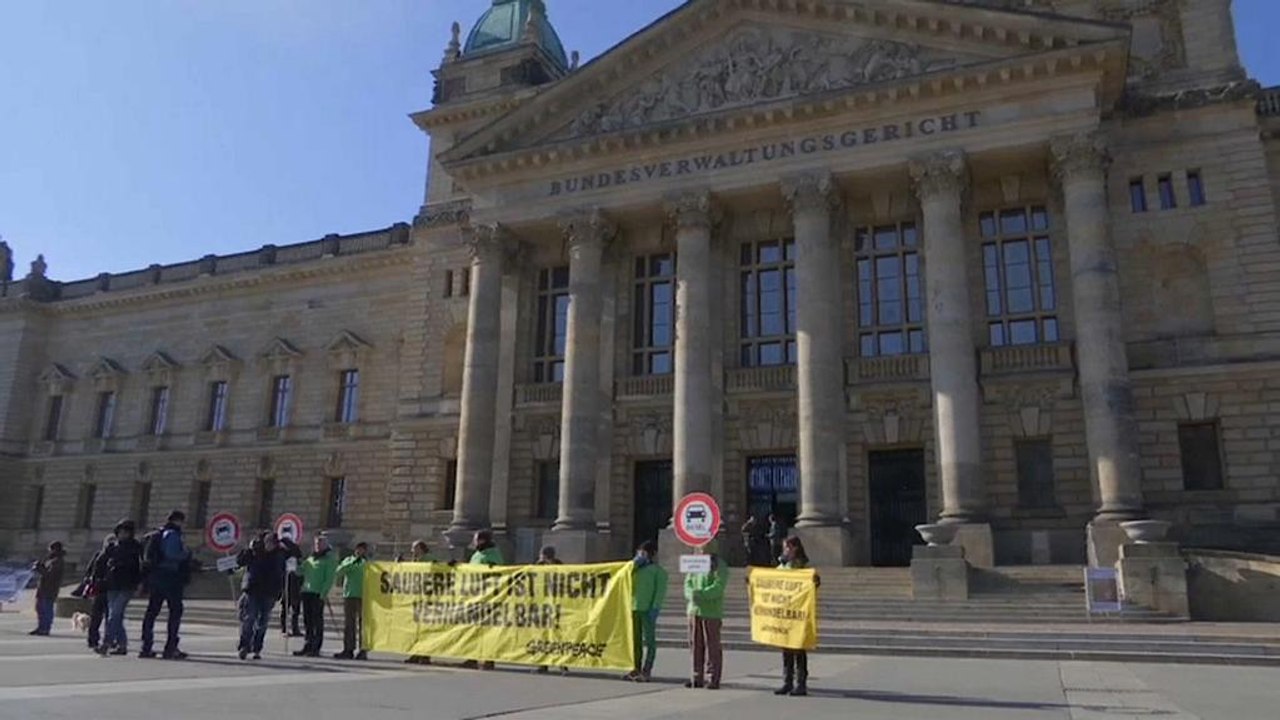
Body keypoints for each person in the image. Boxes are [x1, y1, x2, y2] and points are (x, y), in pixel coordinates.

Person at [140, 510, 193, 659]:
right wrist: (186, 554)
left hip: (156, 577)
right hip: (170, 577)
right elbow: (172, 555)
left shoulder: (159, 534)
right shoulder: (172, 535)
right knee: (175, 612)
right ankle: (170, 647)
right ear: (178, 521)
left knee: (152, 612)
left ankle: (146, 646)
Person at [774, 536, 819, 697]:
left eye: (787, 547)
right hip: (785, 613)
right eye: (784, 548)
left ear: (795, 548)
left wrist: (814, 581)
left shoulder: (802, 567)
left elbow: (811, 584)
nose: (784, 550)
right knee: (786, 649)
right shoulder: (782, 565)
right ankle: (787, 681)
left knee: (799, 649)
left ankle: (801, 683)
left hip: (798, 614)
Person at [98, 520, 144, 657]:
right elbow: (101, 562)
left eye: (126, 532)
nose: (122, 534)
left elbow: (141, 567)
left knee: (114, 615)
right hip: (112, 584)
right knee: (115, 616)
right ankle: (122, 645)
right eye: (120, 532)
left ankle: (106, 642)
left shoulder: (136, 547)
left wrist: (140, 584)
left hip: (127, 585)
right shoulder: (112, 547)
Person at [237, 533, 286, 660]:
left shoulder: (279, 556)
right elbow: (240, 561)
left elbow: (282, 574)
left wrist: (279, 592)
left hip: (269, 592)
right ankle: (244, 645)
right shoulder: (255, 552)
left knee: (263, 622)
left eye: (273, 543)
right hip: (253, 589)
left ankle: (257, 647)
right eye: (268, 542)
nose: (270, 546)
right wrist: (248, 550)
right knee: (249, 618)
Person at [684, 553, 727, 690]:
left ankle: (712, 678)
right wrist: (691, 594)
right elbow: (687, 583)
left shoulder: (720, 565)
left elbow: (719, 586)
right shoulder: (695, 563)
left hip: (711, 611)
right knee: (695, 644)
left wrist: (701, 594)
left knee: (712, 646)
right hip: (694, 610)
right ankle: (696, 676)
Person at [625, 540, 667, 682]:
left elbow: (659, 592)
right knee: (634, 641)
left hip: (648, 609)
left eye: (644, 553)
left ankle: (647, 669)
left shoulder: (658, 572)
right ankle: (634, 667)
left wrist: (655, 607)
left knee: (649, 641)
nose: (642, 555)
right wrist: (633, 566)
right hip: (633, 608)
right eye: (639, 553)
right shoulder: (635, 569)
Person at [461, 530, 503, 670]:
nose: (474, 542)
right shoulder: (476, 555)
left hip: (488, 598)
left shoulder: (493, 554)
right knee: (473, 629)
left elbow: (495, 572)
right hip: (474, 596)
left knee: (487, 630)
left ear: (482, 540)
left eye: (476, 539)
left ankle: (488, 659)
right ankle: (472, 656)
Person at [293, 533, 338, 657]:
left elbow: (329, 578)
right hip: (307, 591)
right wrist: (293, 565)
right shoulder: (311, 558)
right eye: (316, 543)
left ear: (325, 544)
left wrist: (323, 593)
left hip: (318, 593)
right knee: (307, 621)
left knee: (317, 621)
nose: (317, 546)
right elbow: (300, 571)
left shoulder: (329, 559)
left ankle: (316, 646)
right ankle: (308, 644)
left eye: (320, 543)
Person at [533, 546, 568, 675]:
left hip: (556, 606)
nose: (540, 558)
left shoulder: (560, 567)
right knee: (543, 636)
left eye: (542, 556)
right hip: (543, 606)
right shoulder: (539, 566)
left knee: (558, 636)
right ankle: (543, 664)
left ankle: (562, 664)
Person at [333, 541, 369, 660]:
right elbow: (339, 571)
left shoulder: (367, 563)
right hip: (349, 594)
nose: (360, 551)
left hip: (364, 595)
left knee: (363, 625)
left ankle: (363, 650)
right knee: (349, 624)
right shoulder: (348, 560)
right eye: (358, 549)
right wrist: (352, 563)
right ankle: (348, 648)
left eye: (362, 550)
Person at [403, 539, 436, 666]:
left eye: (414, 548)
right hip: (417, 598)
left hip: (427, 598)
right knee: (416, 628)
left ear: (421, 548)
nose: (412, 551)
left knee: (425, 628)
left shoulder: (429, 559)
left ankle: (425, 654)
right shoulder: (416, 560)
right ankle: (416, 652)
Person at [81, 535, 115, 650]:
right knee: (107, 616)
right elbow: (91, 570)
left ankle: (94, 639)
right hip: (108, 589)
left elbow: (90, 571)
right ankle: (107, 639)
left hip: (100, 588)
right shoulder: (114, 555)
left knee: (98, 616)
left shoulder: (99, 554)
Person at [29, 541, 66, 636]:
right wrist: (40, 566)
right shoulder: (51, 560)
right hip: (43, 588)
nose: (49, 551)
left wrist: (39, 568)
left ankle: (45, 628)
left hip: (50, 589)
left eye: (50, 549)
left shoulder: (58, 561)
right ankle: (41, 627)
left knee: (46, 608)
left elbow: (50, 575)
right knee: (40, 608)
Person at [279, 533, 304, 637]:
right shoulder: (282, 553)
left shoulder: (291, 552)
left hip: (294, 582)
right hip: (288, 582)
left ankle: (291, 628)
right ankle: (287, 628)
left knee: (292, 607)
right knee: (288, 607)